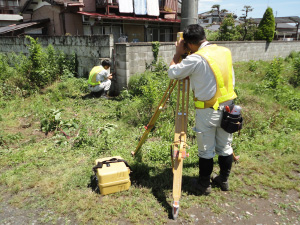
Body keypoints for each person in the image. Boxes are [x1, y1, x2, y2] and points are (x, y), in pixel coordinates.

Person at [168, 24, 237, 195]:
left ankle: (204, 185)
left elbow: (173, 73)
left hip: (208, 110)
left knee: (206, 150)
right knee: (225, 147)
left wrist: (178, 53)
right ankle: (223, 179)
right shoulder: (224, 51)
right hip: (230, 108)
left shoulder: (196, 59)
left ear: (189, 44)